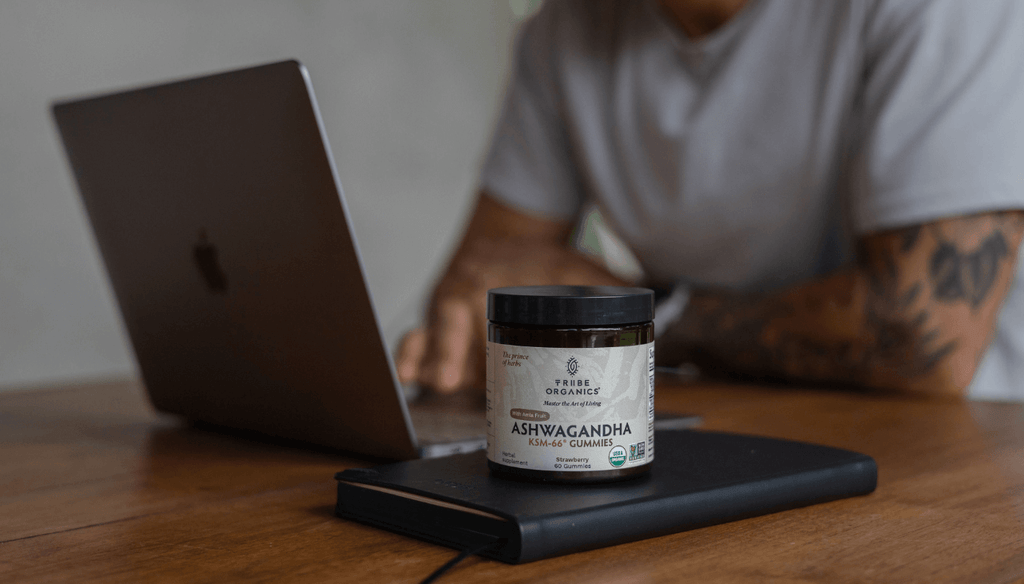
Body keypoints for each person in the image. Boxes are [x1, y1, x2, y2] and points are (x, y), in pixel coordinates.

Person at [396, 0, 1024, 400]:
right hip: (721, 421)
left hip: (970, 453)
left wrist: (633, 317)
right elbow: (483, 289)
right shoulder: (563, 32)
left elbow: (927, 341)